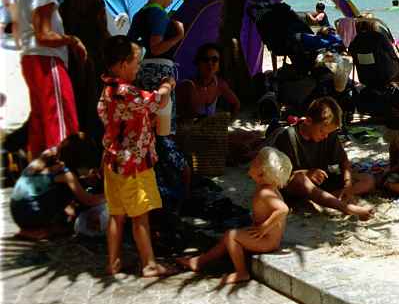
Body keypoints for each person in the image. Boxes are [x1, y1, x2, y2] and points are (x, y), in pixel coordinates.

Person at [98, 35, 175, 277]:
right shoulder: (127, 92)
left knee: (116, 215)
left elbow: (122, 118)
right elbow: (158, 102)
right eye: (136, 62)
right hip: (134, 164)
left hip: (112, 162)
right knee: (140, 216)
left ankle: (113, 262)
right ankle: (149, 264)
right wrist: (167, 86)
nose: (139, 67)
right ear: (122, 64)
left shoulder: (108, 90)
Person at [178, 147, 292, 284]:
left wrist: (263, 228)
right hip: (268, 239)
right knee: (227, 238)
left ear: (261, 173)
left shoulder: (265, 193)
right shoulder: (268, 189)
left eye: (255, 161)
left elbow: (283, 210)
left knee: (231, 236)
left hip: (267, 242)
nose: (252, 162)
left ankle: (241, 272)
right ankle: (199, 261)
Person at [17, 0, 86, 156]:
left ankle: (39, 172)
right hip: (47, 61)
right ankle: (61, 171)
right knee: (59, 118)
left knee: (40, 120)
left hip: (30, 60)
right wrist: (72, 41)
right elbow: (44, 35)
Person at [274, 97, 375, 218]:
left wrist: (347, 185)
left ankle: (324, 199)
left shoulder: (329, 135)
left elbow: (343, 161)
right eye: (322, 131)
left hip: (321, 184)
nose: (325, 136)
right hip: (297, 187)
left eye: (328, 133)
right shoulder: (288, 137)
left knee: (368, 179)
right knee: (300, 179)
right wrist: (307, 173)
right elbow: (280, 177)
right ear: (308, 121)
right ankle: (347, 208)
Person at [9, 132, 104, 239]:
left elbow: (43, 182)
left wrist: (84, 180)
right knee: (69, 190)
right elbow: (88, 200)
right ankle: (41, 228)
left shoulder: (47, 156)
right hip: (30, 214)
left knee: (71, 187)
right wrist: (111, 196)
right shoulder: (66, 174)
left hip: (16, 210)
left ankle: (34, 228)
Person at [176, 43, 241, 119]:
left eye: (214, 59)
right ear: (198, 63)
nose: (210, 63)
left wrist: (227, 122)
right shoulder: (188, 86)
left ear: (219, 65)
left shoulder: (219, 84)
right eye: (205, 59)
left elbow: (236, 104)